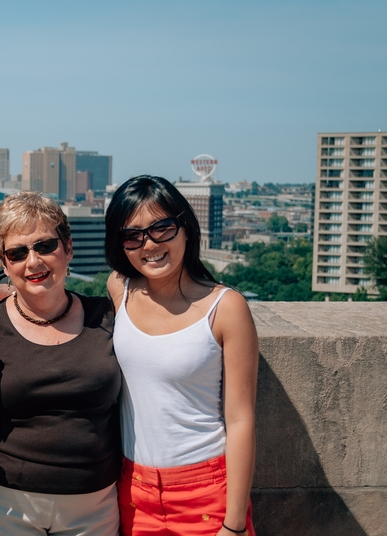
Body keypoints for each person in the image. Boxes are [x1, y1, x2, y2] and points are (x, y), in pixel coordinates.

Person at [0, 192, 122, 536]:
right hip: (0, 504)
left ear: (68, 248)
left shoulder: (108, 317)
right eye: (17, 253)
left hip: (94, 506)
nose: (33, 262)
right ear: (4, 265)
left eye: (45, 246)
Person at [104, 175, 258, 536]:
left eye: (162, 228)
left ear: (186, 229)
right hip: (133, 490)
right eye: (133, 236)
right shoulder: (119, 289)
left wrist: (233, 525)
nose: (150, 244)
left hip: (207, 491)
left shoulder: (225, 307)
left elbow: (240, 420)